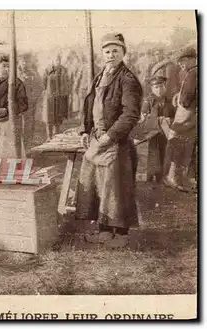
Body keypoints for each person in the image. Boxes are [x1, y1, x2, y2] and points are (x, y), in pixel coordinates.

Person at [76, 33, 143, 248]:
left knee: (118, 189)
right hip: (98, 138)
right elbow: (90, 104)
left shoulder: (128, 79)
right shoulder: (100, 76)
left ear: (124, 53)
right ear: (102, 54)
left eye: (116, 50)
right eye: (107, 51)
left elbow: (130, 115)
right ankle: (104, 232)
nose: (111, 55)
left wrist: (109, 136)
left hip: (117, 143)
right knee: (99, 187)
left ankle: (121, 235)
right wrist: (85, 131)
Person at [164, 47, 197, 192]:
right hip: (193, 114)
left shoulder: (193, 73)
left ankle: (173, 177)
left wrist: (180, 99)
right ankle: (182, 178)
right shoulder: (194, 72)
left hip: (188, 114)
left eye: (183, 61)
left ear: (191, 59)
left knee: (177, 140)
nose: (181, 65)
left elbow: (186, 100)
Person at [139, 75, 175, 182]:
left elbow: (175, 116)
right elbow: (144, 117)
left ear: (165, 87)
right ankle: (151, 175)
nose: (159, 90)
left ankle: (162, 176)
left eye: (161, 86)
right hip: (153, 131)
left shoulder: (169, 100)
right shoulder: (148, 101)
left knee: (165, 152)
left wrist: (168, 120)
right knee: (153, 152)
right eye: (156, 87)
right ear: (152, 88)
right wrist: (157, 119)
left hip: (166, 131)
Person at [42, 53, 70, 140]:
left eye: (59, 60)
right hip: (50, 97)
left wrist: (66, 92)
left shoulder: (64, 70)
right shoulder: (47, 70)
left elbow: (68, 81)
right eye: (56, 60)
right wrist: (46, 91)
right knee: (49, 117)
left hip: (60, 96)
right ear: (53, 60)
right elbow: (43, 82)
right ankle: (49, 136)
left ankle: (56, 135)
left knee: (58, 116)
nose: (58, 61)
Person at [18, 55, 42, 150]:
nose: (24, 64)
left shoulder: (33, 73)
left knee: (29, 123)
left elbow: (40, 86)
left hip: (30, 103)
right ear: (19, 62)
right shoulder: (14, 73)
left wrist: (33, 98)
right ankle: (20, 144)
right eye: (22, 62)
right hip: (18, 104)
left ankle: (28, 143)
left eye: (26, 62)